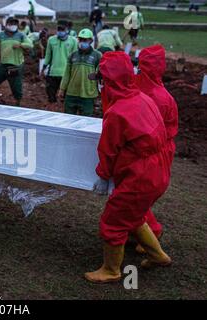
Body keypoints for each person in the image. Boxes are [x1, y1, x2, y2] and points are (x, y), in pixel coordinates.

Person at [86, 51, 172, 283]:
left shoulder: (117, 112)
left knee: (113, 221)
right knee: (133, 215)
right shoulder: (144, 99)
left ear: (109, 81)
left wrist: (103, 176)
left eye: (101, 80)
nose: (100, 85)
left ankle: (112, 270)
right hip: (159, 170)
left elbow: (108, 150)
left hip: (140, 175)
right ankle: (158, 256)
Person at [134, 45, 178, 252]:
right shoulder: (146, 90)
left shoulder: (159, 97)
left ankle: (152, 229)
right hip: (147, 149)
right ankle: (140, 228)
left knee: (138, 193)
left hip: (151, 151)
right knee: (138, 193)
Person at [59, 29, 101, 116]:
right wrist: (62, 89)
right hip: (71, 93)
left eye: (85, 40)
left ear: (91, 41)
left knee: (86, 120)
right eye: (80, 40)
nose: (82, 42)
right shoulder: (73, 55)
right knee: (68, 119)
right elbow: (67, 73)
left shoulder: (97, 55)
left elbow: (101, 73)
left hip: (88, 94)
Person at [42, 20, 77, 107]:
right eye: (58, 29)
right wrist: (43, 68)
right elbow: (48, 56)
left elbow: (75, 58)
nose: (60, 31)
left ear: (67, 30)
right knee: (51, 96)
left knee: (66, 97)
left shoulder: (73, 41)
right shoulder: (51, 40)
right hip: (53, 72)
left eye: (62, 29)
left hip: (66, 73)